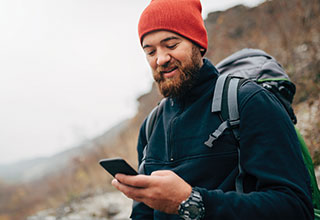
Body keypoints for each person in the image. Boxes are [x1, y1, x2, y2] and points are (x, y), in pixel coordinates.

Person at [112, 0, 314, 219]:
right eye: (150, 52)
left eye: (171, 45)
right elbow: (143, 214)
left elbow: (295, 206)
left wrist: (191, 201)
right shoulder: (151, 127)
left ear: (198, 43)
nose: (161, 59)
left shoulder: (248, 101)